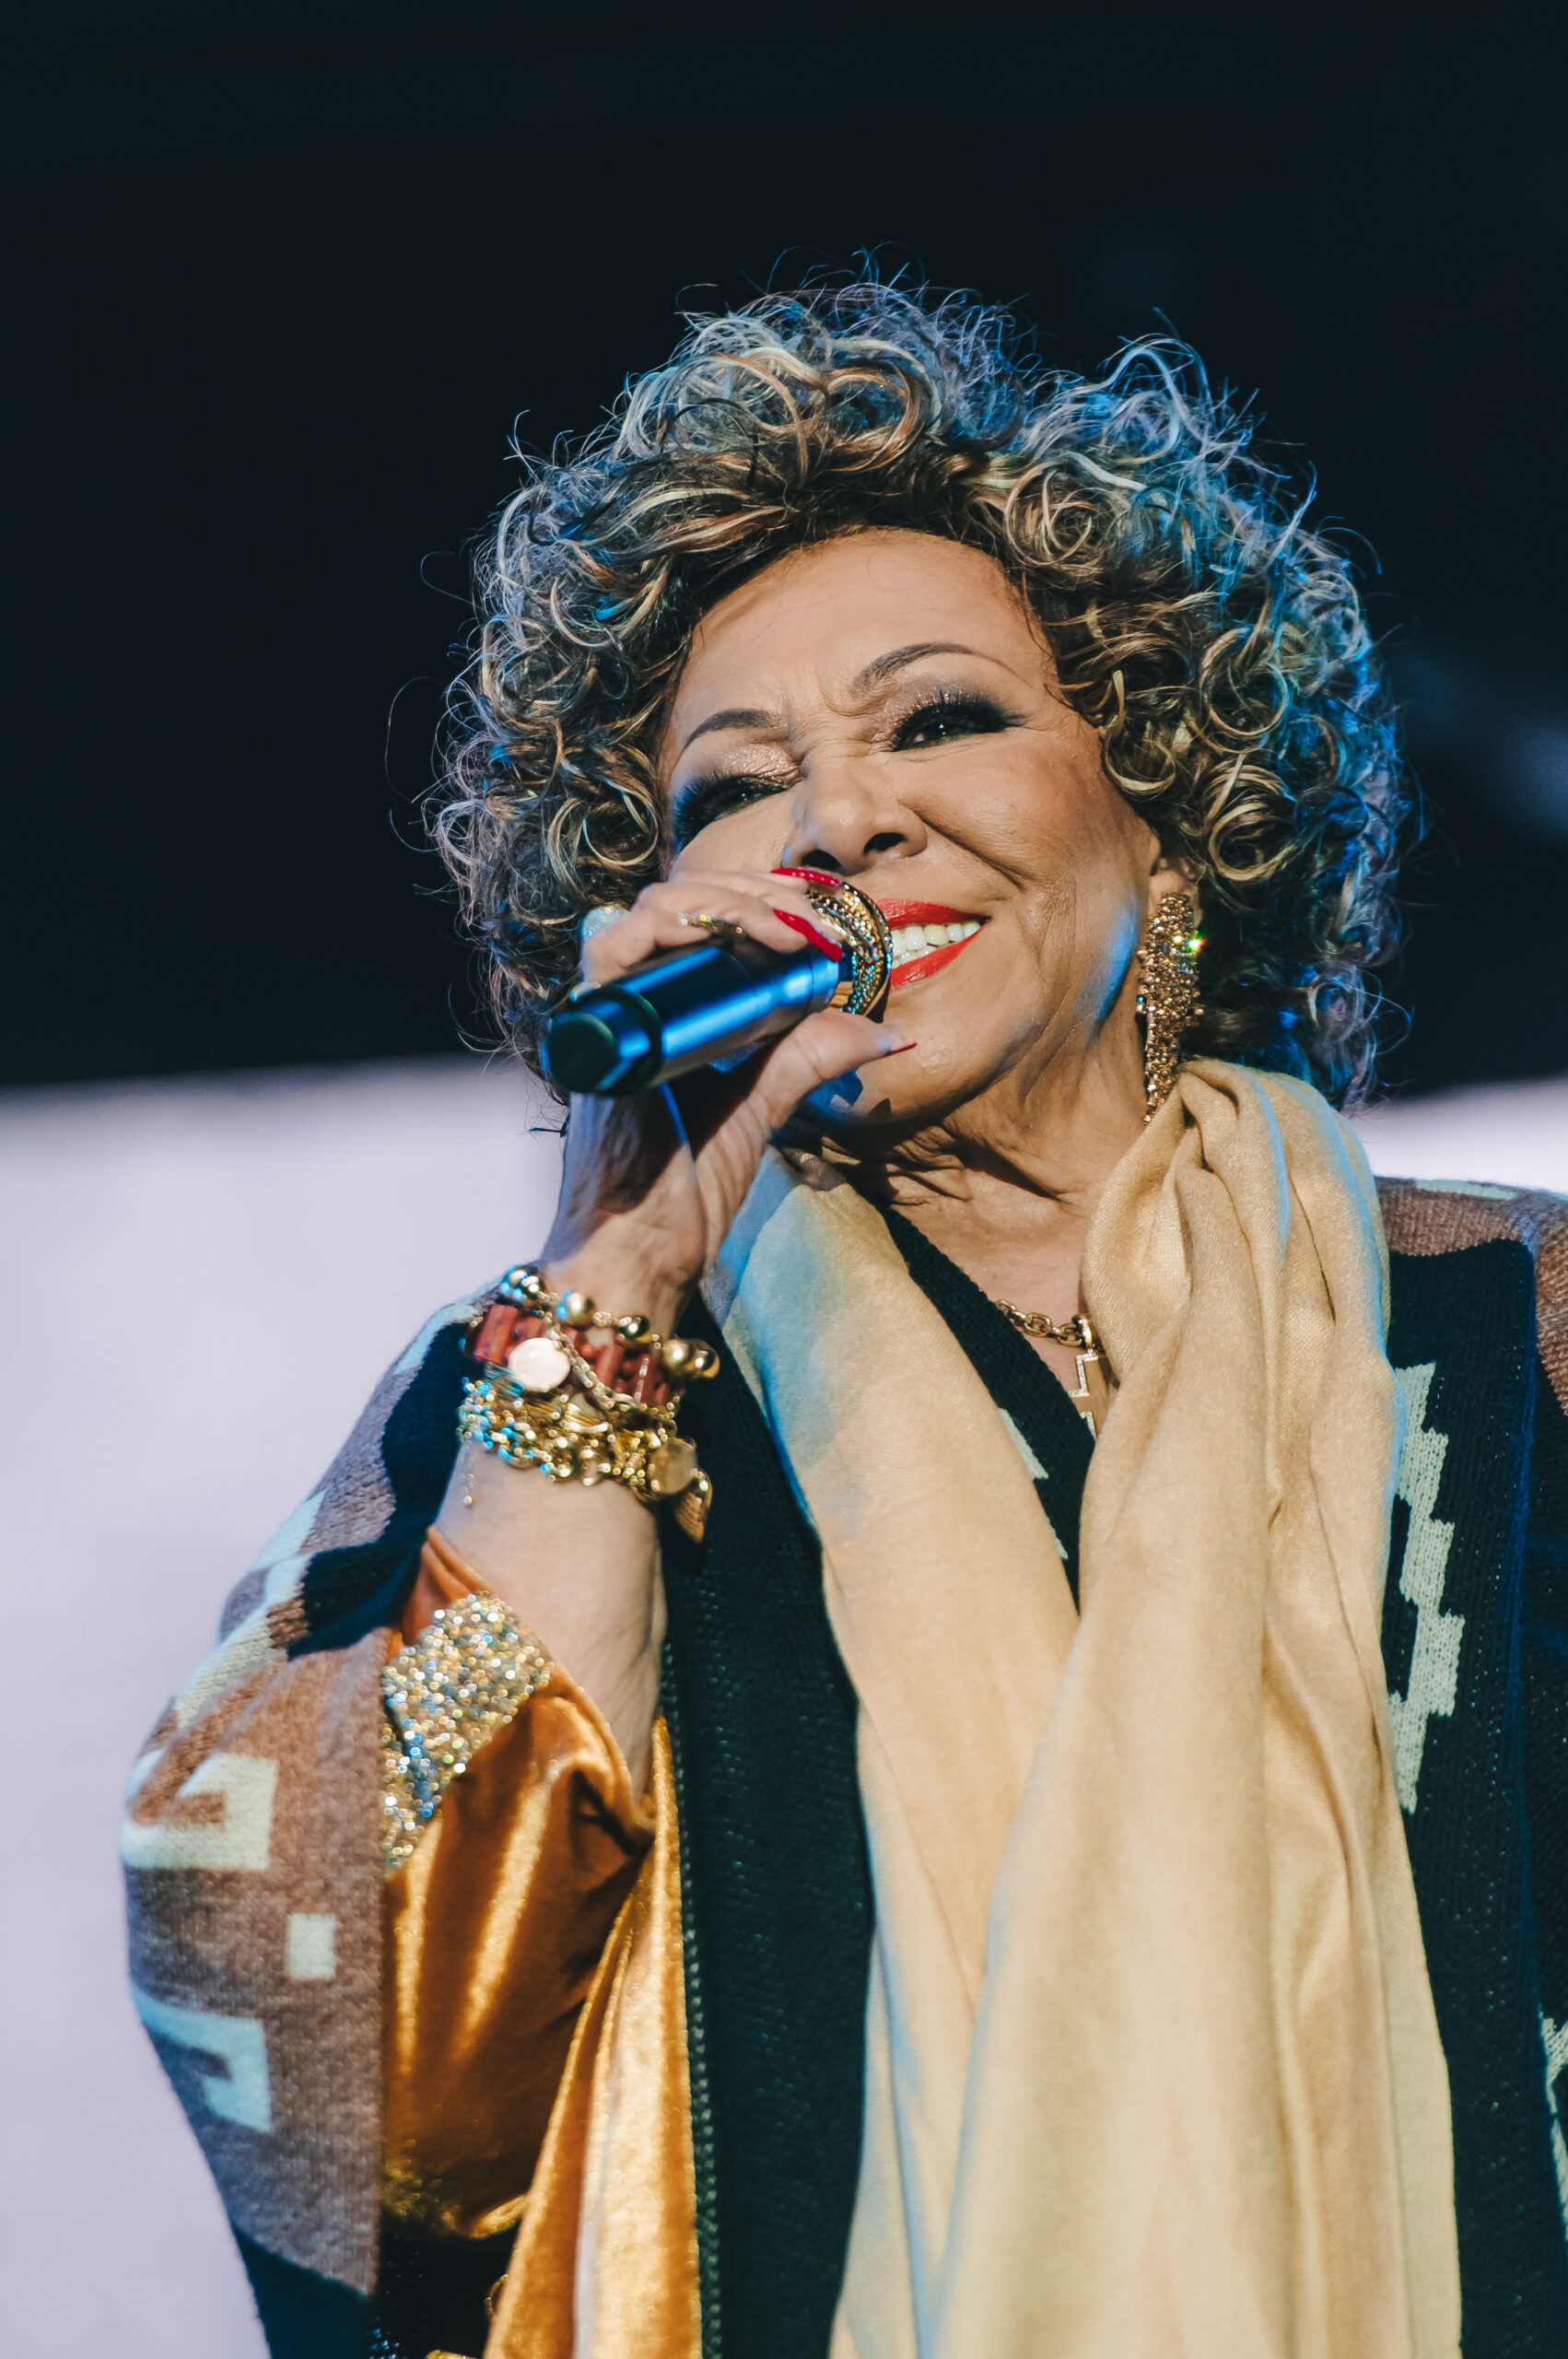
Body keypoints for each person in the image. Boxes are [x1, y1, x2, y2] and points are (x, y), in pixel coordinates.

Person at [124, 285, 1568, 2359]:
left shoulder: (1509, 1318)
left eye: (937, 720)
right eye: (736, 783)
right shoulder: (548, 1388)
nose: (838, 821)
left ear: (1165, 819)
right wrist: (615, 1283)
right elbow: (369, 2083)